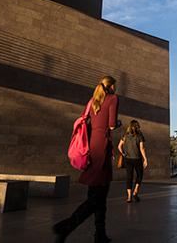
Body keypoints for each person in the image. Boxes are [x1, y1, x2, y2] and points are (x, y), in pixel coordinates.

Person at [53, 76, 119, 243]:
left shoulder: (92, 100)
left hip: (92, 147)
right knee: (97, 197)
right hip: (102, 148)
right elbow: (111, 125)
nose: (115, 89)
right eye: (115, 86)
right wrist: (118, 123)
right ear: (110, 86)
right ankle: (67, 226)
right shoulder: (113, 99)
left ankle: (100, 234)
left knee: (98, 195)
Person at [117, 120, 147, 203]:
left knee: (129, 177)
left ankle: (129, 197)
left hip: (127, 159)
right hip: (137, 159)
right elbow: (142, 148)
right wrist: (145, 159)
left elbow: (119, 146)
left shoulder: (125, 135)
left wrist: (123, 153)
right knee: (139, 175)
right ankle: (135, 192)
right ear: (137, 126)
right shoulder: (139, 135)